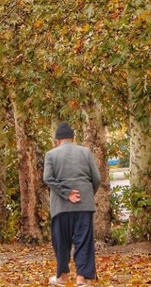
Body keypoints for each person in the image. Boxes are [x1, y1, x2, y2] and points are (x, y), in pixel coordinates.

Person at [43, 122, 100, 286]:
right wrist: (87, 195)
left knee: (61, 241)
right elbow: (96, 178)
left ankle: (62, 277)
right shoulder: (85, 152)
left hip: (60, 207)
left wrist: (66, 194)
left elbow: (47, 178)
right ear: (73, 138)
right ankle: (81, 278)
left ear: (57, 140)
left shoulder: (51, 155)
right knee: (84, 240)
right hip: (84, 204)